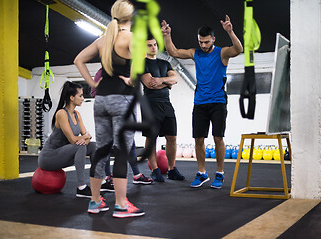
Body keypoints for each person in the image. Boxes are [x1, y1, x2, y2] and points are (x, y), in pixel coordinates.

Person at [74, 0, 145, 217]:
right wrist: (131, 80)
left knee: (102, 149)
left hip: (101, 99)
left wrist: (93, 84)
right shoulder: (132, 39)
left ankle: (95, 201)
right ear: (131, 18)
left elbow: (78, 60)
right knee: (122, 150)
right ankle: (122, 204)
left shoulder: (103, 40)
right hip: (122, 99)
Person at [161, 15, 243, 189]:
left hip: (218, 102)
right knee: (198, 139)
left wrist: (230, 31)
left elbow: (238, 49)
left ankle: (220, 173)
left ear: (213, 39)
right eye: (201, 42)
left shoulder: (222, 53)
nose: (203, 45)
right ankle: (202, 173)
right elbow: (173, 52)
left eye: (206, 42)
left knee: (218, 138)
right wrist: (167, 36)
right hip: (200, 103)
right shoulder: (195, 53)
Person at [90, 68, 153, 192]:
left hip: (122, 108)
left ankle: (136, 175)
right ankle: (109, 179)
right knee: (107, 146)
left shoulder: (127, 70)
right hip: (110, 109)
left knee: (128, 143)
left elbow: (79, 60)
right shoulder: (102, 72)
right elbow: (93, 92)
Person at [38, 81, 95, 198]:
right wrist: (84, 138)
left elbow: (88, 136)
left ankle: (99, 181)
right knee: (80, 146)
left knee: (94, 146)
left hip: (64, 154)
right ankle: (81, 187)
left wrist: (85, 139)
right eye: (80, 96)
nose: (83, 98)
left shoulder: (77, 114)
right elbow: (73, 140)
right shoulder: (61, 114)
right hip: (49, 158)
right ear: (71, 97)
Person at [140, 36, 185, 182]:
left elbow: (175, 79)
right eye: (149, 45)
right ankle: (155, 170)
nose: (153, 47)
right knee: (151, 138)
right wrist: (167, 82)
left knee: (172, 137)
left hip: (166, 104)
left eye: (154, 44)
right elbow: (149, 84)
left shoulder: (165, 63)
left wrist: (160, 80)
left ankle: (172, 169)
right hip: (150, 104)